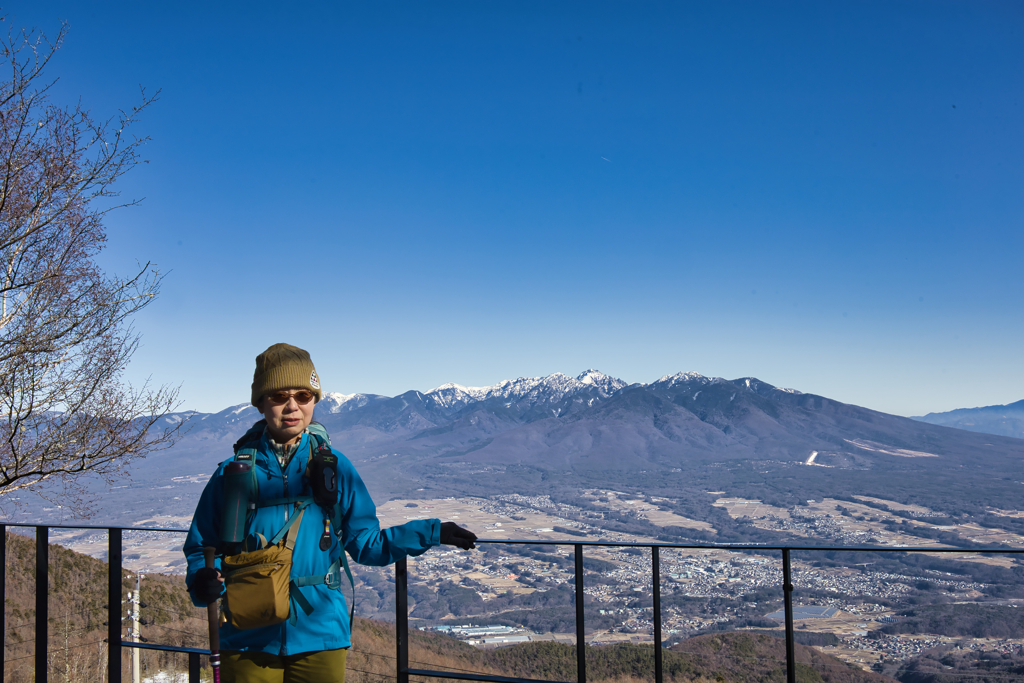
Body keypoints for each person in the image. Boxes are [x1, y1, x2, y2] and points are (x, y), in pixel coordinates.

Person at [183, 343, 477, 683]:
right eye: (279, 396)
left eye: (303, 395)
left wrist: (431, 532)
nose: (292, 406)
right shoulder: (232, 475)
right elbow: (201, 548)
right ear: (261, 402)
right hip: (247, 634)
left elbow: (366, 544)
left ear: (314, 400)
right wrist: (202, 581)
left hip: (320, 634)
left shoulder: (335, 469)